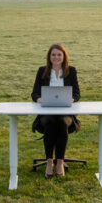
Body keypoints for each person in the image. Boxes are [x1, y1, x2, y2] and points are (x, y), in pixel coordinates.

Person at [31, 43, 81, 178]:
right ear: (49, 57)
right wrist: (39, 99)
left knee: (62, 122)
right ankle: (49, 162)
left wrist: (72, 99)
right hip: (47, 112)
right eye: (53, 54)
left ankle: (59, 161)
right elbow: (34, 93)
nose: (56, 57)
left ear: (64, 56)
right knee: (50, 122)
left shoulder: (71, 71)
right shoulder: (42, 71)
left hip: (65, 112)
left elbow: (77, 94)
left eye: (59, 54)